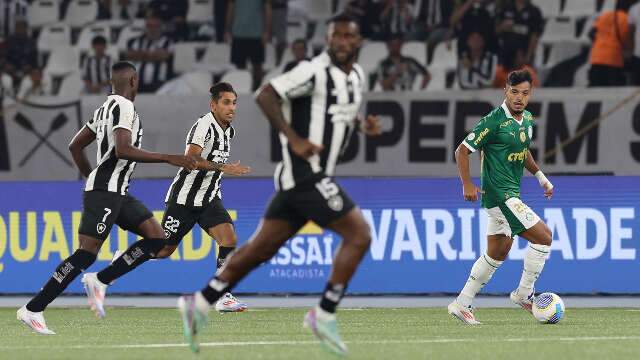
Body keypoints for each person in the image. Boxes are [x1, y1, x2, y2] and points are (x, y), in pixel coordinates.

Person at [177, 14, 382, 356]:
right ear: (328, 39)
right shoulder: (312, 70)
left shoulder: (357, 76)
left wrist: (362, 126)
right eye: (337, 36)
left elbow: (337, 114)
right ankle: (323, 314)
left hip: (299, 181)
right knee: (359, 234)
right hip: (306, 175)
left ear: (358, 41)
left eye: (349, 36)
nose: (343, 42)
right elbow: (265, 95)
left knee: (258, 250)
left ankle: (199, 302)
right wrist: (294, 139)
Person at [16, 61, 197, 335]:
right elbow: (123, 149)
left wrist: (93, 177)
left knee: (157, 237)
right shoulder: (124, 107)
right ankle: (33, 309)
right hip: (106, 191)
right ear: (134, 80)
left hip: (116, 191)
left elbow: (75, 145)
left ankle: (101, 280)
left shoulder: (104, 108)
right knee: (85, 255)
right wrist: (167, 157)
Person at [81, 82, 252, 317]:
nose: (231, 107)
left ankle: (223, 295)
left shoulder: (229, 130)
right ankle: (117, 264)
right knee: (163, 250)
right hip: (184, 199)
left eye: (234, 103)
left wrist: (220, 175)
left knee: (229, 238)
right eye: (226, 102)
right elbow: (191, 159)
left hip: (209, 198)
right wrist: (224, 167)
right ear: (213, 105)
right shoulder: (204, 126)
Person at [448, 69, 554, 325]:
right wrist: (467, 184)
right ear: (505, 91)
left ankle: (461, 303)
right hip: (500, 195)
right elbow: (462, 151)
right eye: (514, 92)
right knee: (544, 237)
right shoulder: (493, 121)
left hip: (510, 194)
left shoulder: (527, 119)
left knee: (498, 251)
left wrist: (540, 176)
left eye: (525, 93)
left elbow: (523, 150)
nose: (519, 98)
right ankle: (524, 295)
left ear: (530, 95)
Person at [225, 0, 272, 90]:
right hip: (238, 33)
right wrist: (227, 29)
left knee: (258, 68)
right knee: (240, 69)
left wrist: (267, 31)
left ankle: (257, 92)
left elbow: (268, 9)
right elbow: (230, 8)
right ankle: (242, 91)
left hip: (257, 34)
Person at [588, 0, 633, 87]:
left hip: (597, 57)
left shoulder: (605, 15)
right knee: (611, 92)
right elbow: (628, 41)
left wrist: (601, 42)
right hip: (613, 59)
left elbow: (591, 34)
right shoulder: (627, 19)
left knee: (595, 92)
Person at [125, 14, 174, 93]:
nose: (152, 29)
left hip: (159, 84)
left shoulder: (167, 41)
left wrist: (140, 55)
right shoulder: (135, 41)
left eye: (156, 26)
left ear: (161, 27)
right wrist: (154, 55)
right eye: (150, 26)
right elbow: (130, 55)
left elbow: (164, 56)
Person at [495, 0, 544, 66]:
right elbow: (496, 31)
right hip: (505, 55)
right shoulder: (505, 8)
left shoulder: (534, 11)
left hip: (523, 56)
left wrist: (528, 57)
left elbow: (535, 36)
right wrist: (502, 26)